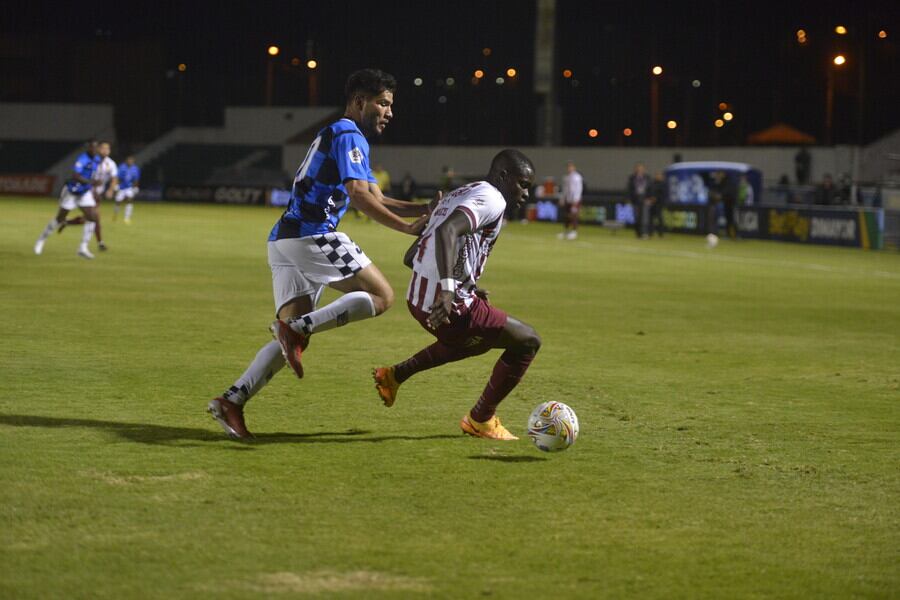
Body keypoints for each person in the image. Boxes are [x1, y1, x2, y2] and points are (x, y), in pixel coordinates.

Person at [207, 69, 430, 440]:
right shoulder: (349, 134)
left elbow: (376, 196)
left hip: (284, 239)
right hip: (312, 233)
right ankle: (293, 330)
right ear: (359, 102)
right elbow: (359, 195)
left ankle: (232, 400)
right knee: (382, 296)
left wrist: (423, 209)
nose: (389, 112)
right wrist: (407, 229)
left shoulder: (341, 134)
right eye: (383, 103)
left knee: (294, 339)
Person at [373, 149, 539, 441]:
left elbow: (412, 256)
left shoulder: (460, 193)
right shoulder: (493, 198)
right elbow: (448, 231)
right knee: (527, 342)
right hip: (447, 305)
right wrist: (449, 290)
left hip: (418, 299)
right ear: (503, 176)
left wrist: (464, 283)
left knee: (474, 340)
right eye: (522, 184)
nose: (526, 193)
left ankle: (395, 375)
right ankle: (481, 420)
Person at [33, 139, 101, 259]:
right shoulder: (82, 159)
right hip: (72, 191)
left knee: (92, 217)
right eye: (92, 147)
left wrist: (93, 189)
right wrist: (90, 182)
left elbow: (93, 174)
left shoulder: (97, 159)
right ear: (88, 148)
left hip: (84, 192)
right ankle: (41, 239)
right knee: (60, 218)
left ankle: (83, 248)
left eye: (96, 147)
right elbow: (75, 176)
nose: (94, 149)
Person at [59, 140, 116, 250]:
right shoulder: (92, 160)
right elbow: (82, 175)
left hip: (98, 194)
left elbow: (114, 178)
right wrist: (91, 188)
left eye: (107, 149)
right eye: (103, 148)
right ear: (98, 149)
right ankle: (99, 243)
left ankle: (66, 222)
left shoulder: (111, 164)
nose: (105, 150)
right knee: (95, 217)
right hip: (87, 192)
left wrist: (110, 190)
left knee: (88, 218)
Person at [557, 161, 583, 240]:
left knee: (573, 215)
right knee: (566, 216)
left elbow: (578, 189)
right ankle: (566, 231)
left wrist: (576, 200)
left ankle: (574, 232)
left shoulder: (577, 177)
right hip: (568, 200)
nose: (569, 168)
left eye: (571, 167)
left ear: (574, 167)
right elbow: (565, 190)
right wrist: (562, 199)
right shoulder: (566, 177)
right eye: (568, 167)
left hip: (575, 200)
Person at [114, 156, 141, 224]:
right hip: (121, 187)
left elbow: (136, 179)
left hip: (129, 188)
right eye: (129, 160)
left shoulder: (135, 169)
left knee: (129, 200)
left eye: (131, 160)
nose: (130, 161)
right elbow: (118, 177)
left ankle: (127, 218)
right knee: (118, 202)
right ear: (126, 160)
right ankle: (115, 215)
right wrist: (116, 185)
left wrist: (136, 187)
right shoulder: (122, 167)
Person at [627, 163, 651, 238]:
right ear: (635, 169)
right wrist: (629, 199)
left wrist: (650, 198)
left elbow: (651, 188)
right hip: (635, 200)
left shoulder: (647, 178)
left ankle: (645, 233)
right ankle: (638, 233)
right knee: (636, 217)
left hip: (645, 199)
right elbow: (629, 189)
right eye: (638, 168)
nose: (639, 170)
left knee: (645, 217)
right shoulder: (632, 178)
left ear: (644, 169)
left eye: (641, 168)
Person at [647, 171, 666, 237]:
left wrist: (656, 198)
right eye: (657, 175)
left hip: (659, 204)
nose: (658, 176)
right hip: (652, 204)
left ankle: (661, 233)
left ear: (662, 177)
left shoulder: (664, 184)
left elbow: (664, 194)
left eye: (659, 175)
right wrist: (650, 198)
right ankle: (650, 232)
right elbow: (649, 191)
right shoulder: (652, 183)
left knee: (659, 218)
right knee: (650, 218)